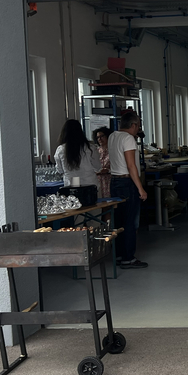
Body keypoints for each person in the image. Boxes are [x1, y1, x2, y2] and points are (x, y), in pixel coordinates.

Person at [108, 112, 148, 269]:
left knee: (118, 221)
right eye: (138, 126)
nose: (138, 129)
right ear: (133, 125)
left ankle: (119, 255)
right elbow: (131, 166)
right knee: (130, 221)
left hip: (114, 181)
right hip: (127, 182)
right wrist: (140, 188)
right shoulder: (128, 138)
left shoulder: (112, 136)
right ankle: (128, 258)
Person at [54, 119, 100, 188]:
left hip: (70, 186)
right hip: (90, 185)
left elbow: (59, 170)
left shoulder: (60, 150)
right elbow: (98, 167)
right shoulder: (90, 148)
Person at [93, 127, 112, 198]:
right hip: (98, 180)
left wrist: (108, 170)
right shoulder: (96, 151)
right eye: (98, 137)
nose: (100, 139)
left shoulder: (112, 150)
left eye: (102, 136)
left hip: (109, 180)